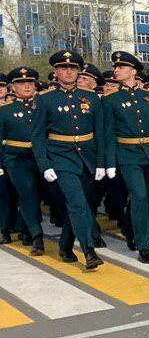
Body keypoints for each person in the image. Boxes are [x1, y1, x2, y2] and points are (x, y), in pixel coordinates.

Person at [30, 50, 105, 270]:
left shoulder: (91, 98)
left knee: (80, 204)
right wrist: (44, 165)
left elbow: (99, 132)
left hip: (87, 158)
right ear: (56, 72)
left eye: (73, 68)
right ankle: (89, 251)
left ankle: (64, 245)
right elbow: (37, 136)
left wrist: (101, 162)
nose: (69, 71)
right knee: (77, 202)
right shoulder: (44, 99)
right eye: (64, 68)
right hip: (60, 157)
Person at [100, 50, 149, 263]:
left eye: (121, 67)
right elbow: (107, 134)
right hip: (127, 155)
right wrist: (109, 162)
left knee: (146, 199)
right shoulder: (111, 100)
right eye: (116, 67)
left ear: (133, 71)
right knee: (138, 196)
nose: (116, 70)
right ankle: (144, 246)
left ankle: (130, 230)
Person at [0, 67, 45, 254]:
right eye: (21, 83)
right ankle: (37, 235)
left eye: (30, 82)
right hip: (16, 159)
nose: (26, 86)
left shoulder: (43, 107)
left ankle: (26, 227)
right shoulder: (5, 111)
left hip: (41, 158)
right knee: (27, 191)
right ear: (13, 87)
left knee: (39, 194)